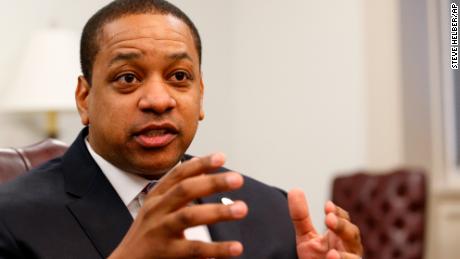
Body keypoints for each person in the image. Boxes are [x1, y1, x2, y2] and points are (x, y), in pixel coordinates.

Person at [0, 0, 363, 258]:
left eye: (179, 77)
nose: (159, 99)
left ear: (200, 95)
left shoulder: (269, 210)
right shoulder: (11, 220)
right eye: (128, 78)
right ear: (84, 98)